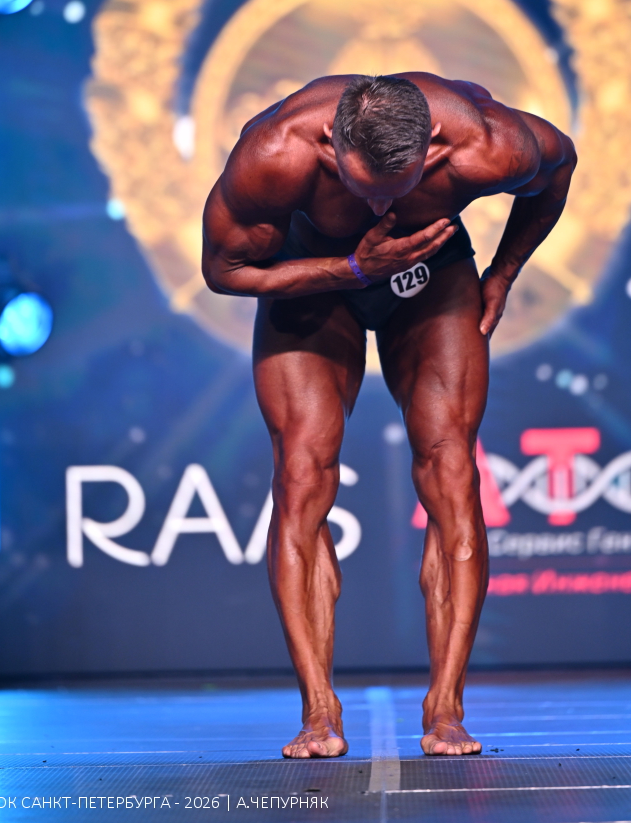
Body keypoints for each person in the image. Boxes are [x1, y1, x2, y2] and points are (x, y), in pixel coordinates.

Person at [202, 73, 576, 758]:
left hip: (430, 273)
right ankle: (318, 712)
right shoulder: (278, 151)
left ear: (431, 150)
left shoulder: (485, 143)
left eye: (394, 190)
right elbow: (223, 271)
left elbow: (560, 166)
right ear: (331, 141)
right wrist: (350, 268)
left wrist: (502, 272)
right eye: (362, 186)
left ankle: (446, 708)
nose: (377, 204)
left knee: (452, 472)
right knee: (301, 477)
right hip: (313, 275)